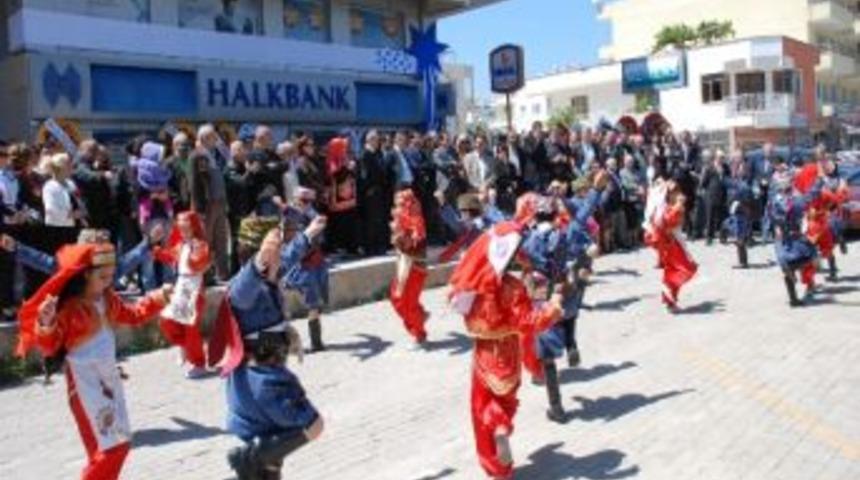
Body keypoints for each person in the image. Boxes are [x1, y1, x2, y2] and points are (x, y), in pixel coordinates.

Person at [16, 241, 170, 480]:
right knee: (112, 449)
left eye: (111, 276)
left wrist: (156, 299)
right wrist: (46, 322)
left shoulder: (108, 299)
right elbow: (49, 345)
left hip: (109, 383)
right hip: (85, 387)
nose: (109, 281)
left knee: (107, 449)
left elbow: (132, 314)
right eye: (103, 276)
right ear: (86, 275)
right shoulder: (69, 310)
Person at [448, 194, 563, 479]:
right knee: (507, 400)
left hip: (484, 355)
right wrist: (552, 310)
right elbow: (528, 321)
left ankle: (497, 461)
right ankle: (501, 424)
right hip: (510, 356)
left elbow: (463, 312)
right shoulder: (513, 287)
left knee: (480, 405)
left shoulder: (477, 287)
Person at [208, 219, 326, 480]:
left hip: (265, 379)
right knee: (313, 425)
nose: (280, 258)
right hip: (261, 384)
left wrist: (308, 234)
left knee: (270, 469)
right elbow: (240, 293)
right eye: (276, 252)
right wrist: (261, 260)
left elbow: (291, 256)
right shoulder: (244, 285)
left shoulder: (272, 272)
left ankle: (256, 461)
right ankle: (249, 457)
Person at [152, 211, 211, 378]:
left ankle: (199, 363)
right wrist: (155, 245)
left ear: (193, 227)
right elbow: (168, 256)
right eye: (181, 227)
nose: (183, 230)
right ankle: (184, 345)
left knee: (190, 327)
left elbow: (199, 263)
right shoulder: (181, 245)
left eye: (187, 227)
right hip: (181, 286)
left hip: (194, 288)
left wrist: (193, 250)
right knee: (166, 321)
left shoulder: (200, 244)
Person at [769, 163, 824, 306]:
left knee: (786, 265)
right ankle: (791, 269)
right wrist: (820, 180)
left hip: (782, 239)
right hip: (796, 237)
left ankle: (793, 298)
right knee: (813, 257)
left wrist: (775, 227)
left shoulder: (774, 200)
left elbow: (771, 217)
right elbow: (812, 195)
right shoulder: (796, 200)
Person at [283, 188, 329, 352]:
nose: (307, 204)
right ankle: (308, 343)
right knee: (311, 304)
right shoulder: (289, 219)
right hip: (301, 266)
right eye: (303, 201)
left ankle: (316, 342)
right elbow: (292, 245)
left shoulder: (311, 215)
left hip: (316, 263)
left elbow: (320, 238)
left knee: (316, 305)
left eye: (309, 201)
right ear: (295, 200)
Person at [643, 178, 698, 312]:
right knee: (679, 270)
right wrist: (677, 207)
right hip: (671, 244)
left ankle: (670, 300)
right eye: (674, 192)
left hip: (674, 242)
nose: (677, 193)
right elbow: (667, 222)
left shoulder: (671, 206)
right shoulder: (665, 208)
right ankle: (669, 300)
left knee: (677, 270)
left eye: (677, 191)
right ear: (668, 194)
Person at [191, 124, 231, 281]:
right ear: (204, 138)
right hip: (208, 205)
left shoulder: (213, 154)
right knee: (205, 240)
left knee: (221, 238)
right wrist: (199, 207)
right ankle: (205, 274)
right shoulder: (198, 155)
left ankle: (223, 273)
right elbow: (195, 184)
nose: (216, 139)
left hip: (219, 202)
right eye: (213, 136)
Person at [389, 189, 429, 344]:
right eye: (396, 204)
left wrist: (399, 238)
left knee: (407, 303)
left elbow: (413, 246)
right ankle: (420, 317)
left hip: (415, 269)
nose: (396, 207)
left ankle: (419, 334)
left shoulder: (416, 221)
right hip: (403, 266)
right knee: (396, 298)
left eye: (401, 204)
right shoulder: (400, 219)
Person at [358, 130, 394, 256]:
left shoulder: (377, 155)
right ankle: (370, 248)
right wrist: (369, 190)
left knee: (379, 220)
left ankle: (379, 246)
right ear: (370, 140)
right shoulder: (365, 155)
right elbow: (364, 176)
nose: (378, 142)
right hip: (370, 193)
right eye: (376, 140)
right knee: (371, 221)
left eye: (378, 140)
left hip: (380, 192)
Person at [723, 154, 754, 268]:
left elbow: (747, 201)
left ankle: (743, 262)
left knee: (740, 238)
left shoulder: (744, 184)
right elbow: (726, 181)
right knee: (736, 236)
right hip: (737, 213)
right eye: (735, 168)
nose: (735, 170)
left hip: (742, 214)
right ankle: (742, 261)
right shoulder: (736, 181)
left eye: (739, 168)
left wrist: (738, 204)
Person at [42, 153, 84, 227]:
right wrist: (70, 215)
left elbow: (78, 201)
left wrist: (81, 216)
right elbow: (50, 210)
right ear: (61, 168)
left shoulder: (71, 183)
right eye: (69, 165)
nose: (72, 167)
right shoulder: (49, 187)